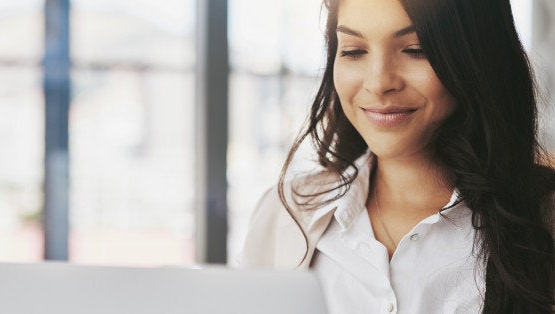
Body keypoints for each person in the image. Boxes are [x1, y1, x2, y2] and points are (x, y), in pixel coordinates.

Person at [237, 0, 555, 313]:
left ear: (474, 52)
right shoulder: (288, 211)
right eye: (353, 51)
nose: (379, 83)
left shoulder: (544, 219)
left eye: (415, 50)